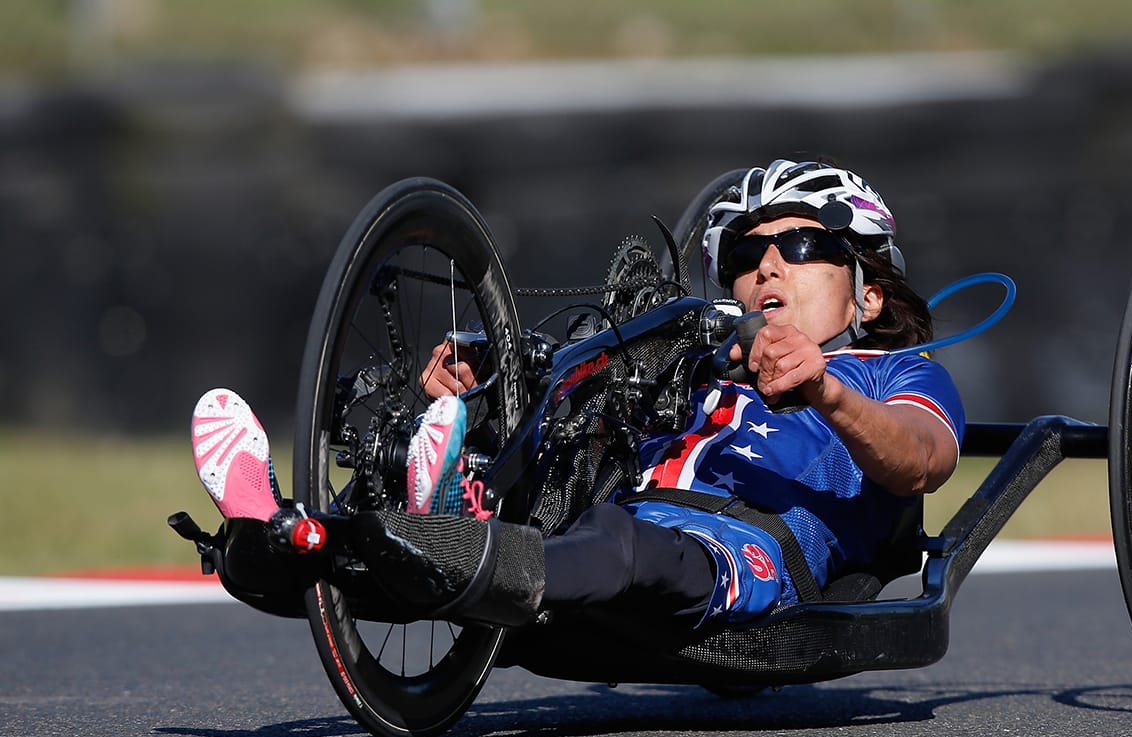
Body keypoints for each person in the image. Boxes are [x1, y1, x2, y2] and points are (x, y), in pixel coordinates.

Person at [189, 159, 964, 628]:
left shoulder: (898, 373)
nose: (765, 267)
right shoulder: (698, 349)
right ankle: (284, 528)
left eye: (799, 246)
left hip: (740, 552)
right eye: (744, 251)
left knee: (623, 544)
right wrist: (487, 385)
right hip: (600, 521)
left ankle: (444, 531)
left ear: (866, 292)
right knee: (557, 478)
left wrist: (826, 389)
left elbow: (922, 462)